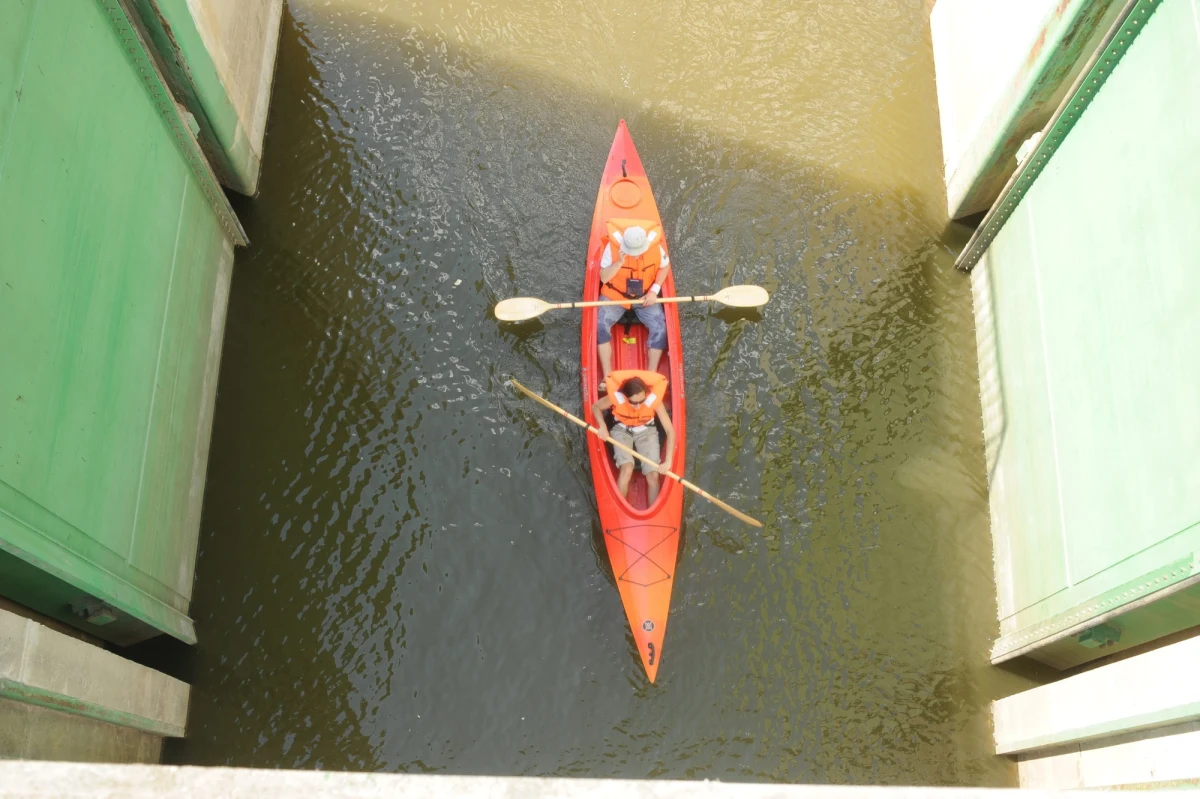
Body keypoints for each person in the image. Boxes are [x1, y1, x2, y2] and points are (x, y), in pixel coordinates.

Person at [597, 220, 671, 389]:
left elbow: (664, 268)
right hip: (616, 297)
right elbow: (603, 278)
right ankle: (607, 377)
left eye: (638, 251)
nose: (636, 255)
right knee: (600, 325)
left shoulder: (656, 249)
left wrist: (654, 290)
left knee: (660, 328)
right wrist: (618, 264)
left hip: (644, 297)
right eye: (632, 252)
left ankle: (650, 378)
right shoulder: (612, 249)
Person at [591, 370, 676, 503]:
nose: (637, 406)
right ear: (625, 397)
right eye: (633, 402)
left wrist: (669, 460)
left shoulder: (653, 400)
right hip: (621, 430)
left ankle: (653, 517)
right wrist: (602, 426)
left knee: (653, 475)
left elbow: (670, 431)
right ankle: (619, 509)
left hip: (647, 430)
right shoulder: (617, 397)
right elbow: (596, 407)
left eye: (641, 401)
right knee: (627, 468)